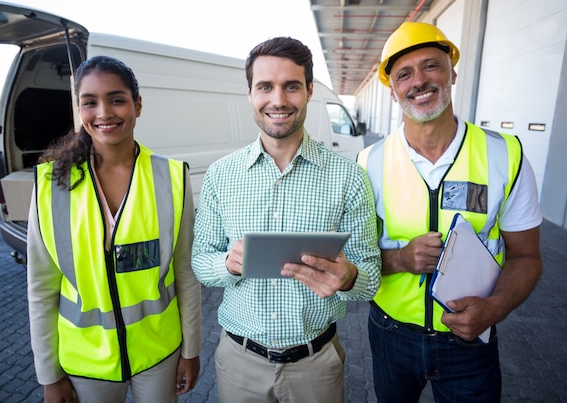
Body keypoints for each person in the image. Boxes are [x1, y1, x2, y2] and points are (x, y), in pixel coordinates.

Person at [357, 21, 543, 402]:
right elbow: (353, 260)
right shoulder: (368, 163)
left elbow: (527, 256)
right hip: (391, 334)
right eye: (404, 74)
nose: (419, 81)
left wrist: (494, 308)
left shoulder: (504, 154)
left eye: (431, 65)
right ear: (393, 91)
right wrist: (400, 258)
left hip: (470, 338)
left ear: (452, 71)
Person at [191, 37, 381, 403]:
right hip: (239, 362)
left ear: (310, 91)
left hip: (317, 365)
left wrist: (349, 276)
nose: (278, 100)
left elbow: (370, 275)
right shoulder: (220, 176)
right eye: (265, 86)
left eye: (291, 86)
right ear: (250, 93)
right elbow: (200, 262)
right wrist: (227, 265)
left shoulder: (348, 177)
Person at [27, 55, 201, 403]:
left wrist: (191, 350)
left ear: (137, 104)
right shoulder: (50, 184)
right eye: (90, 102)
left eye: (117, 99)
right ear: (79, 109)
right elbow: (41, 288)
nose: (104, 112)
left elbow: (186, 273)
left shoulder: (172, 177)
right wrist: (49, 374)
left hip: (160, 352)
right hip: (85, 361)